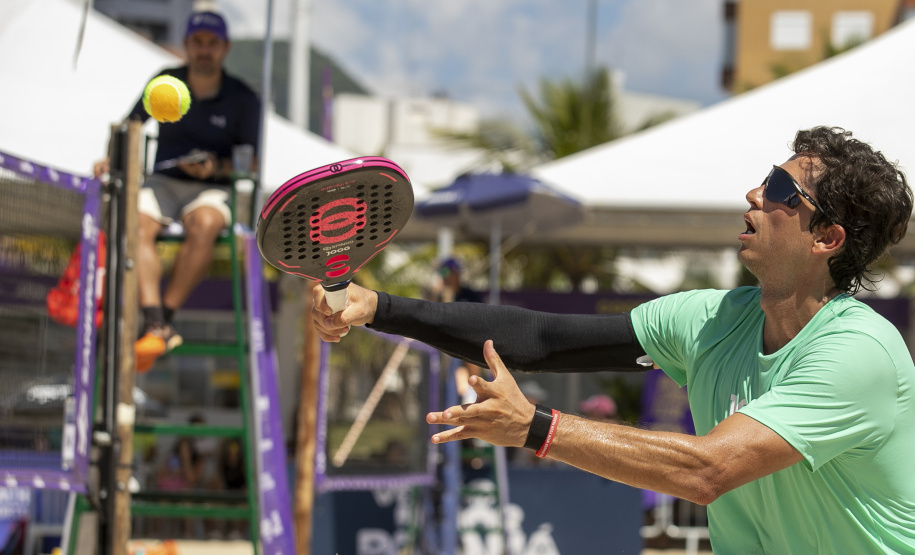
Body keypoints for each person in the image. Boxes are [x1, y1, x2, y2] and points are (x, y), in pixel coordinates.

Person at [312, 127, 915, 553]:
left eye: (781, 192)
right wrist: (379, 307)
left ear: (826, 239)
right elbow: (543, 338)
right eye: (763, 180)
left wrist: (537, 428)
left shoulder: (858, 352)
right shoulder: (711, 319)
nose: (755, 195)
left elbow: (708, 471)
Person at [94, 10, 261, 372]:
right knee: (133, 222)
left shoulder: (244, 98)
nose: (204, 50)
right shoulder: (164, 82)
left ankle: (160, 323)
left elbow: (252, 163)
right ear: (186, 45)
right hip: (163, 183)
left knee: (204, 223)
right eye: (197, 42)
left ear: (225, 48)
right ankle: (156, 323)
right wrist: (110, 158)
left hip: (213, 190)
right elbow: (130, 127)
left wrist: (215, 167)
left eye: (212, 43)